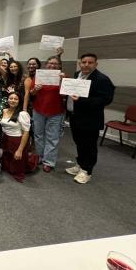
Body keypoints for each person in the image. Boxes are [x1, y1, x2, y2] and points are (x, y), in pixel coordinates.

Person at [65, 53, 115, 184]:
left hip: (90, 119)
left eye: (90, 62)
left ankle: (87, 171)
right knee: (79, 142)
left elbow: (106, 99)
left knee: (89, 145)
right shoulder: (77, 75)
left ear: (96, 64)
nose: (86, 64)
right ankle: (80, 165)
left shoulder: (102, 79)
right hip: (75, 116)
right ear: (80, 63)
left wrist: (82, 100)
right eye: (84, 62)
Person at [30, 55, 65, 172]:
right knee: (38, 135)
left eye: (55, 64)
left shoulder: (63, 77)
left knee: (52, 137)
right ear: (46, 65)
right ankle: (39, 157)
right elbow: (32, 93)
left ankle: (49, 161)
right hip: (38, 110)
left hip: (56, 112)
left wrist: (62, 82)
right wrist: (36, 89)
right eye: (50, 63)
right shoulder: (39, 76)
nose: (52, 65)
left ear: (59, 66)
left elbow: (66, 95)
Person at [0, 92, 32, 183]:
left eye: (15, 99)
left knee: (16, 168)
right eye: (11, 98)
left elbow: (26, 133)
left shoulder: (22, 114)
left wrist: (20, 150)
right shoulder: (4, 110)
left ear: (19, 101)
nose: (12, 100)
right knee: (6, 166)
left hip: (17, 141)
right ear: (7, 99)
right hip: (5, 140)